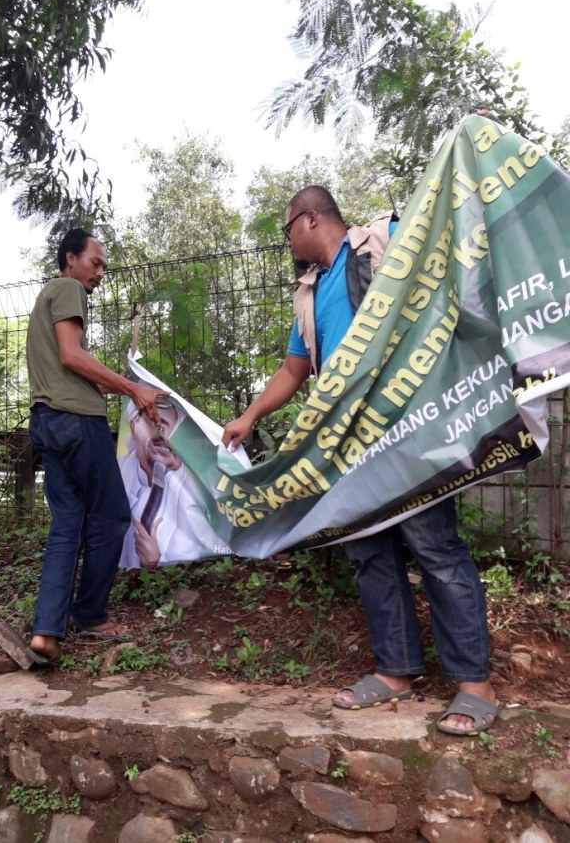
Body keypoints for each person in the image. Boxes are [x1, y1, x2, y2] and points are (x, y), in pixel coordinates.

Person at [222, 186, 498, 736]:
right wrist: (249, 416)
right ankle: (395, 672)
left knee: (434, 547)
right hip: (346, 445)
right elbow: (294, 371)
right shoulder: (309, 293)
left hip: (407, 430)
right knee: (369, 551)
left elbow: (447, 228)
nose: (288, 242)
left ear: (309, 219)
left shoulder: (380, 241)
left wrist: (470, 159)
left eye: (286, 230)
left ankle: (474, 685)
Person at [26, 227, 168, 663]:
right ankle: (89, 614)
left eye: (104, 265)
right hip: (76, 422)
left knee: (68, 522)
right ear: (71, 259)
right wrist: (132, 389)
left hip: (47, 422)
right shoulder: (67, 287)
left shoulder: (45, 300)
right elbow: (73, 355)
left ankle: (46, 631)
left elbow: (64, 364)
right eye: (95, 262)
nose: (101, 272)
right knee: (110, 515)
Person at [118, 393, 230, 569]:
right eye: (150, 421)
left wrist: (153, 559)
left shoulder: (195, 487)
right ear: (133, 426)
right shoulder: (116, 475)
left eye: (167, 426)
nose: (160, 432)